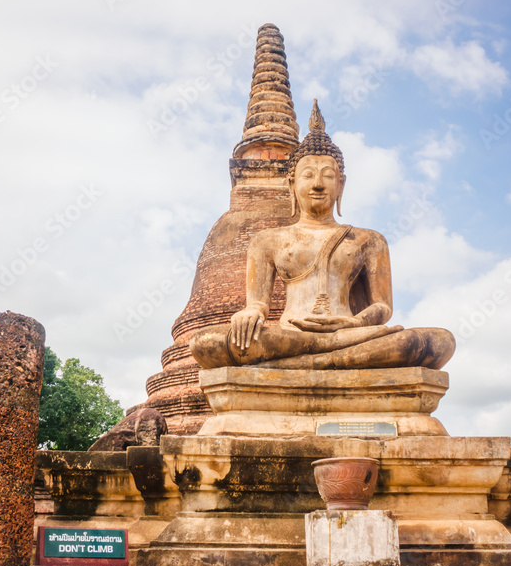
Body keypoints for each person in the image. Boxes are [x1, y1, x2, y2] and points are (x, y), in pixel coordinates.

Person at [190, 100, 455, 370]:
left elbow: (382, 307)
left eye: (328, 175)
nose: (317, 184)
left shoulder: (370, 240)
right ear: (292, 183)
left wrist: (354, 323)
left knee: (439, 341)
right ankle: (328, 359)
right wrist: (250, 312)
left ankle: (303, 363)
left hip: (350, 334)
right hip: (291, 335)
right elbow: (258, 304)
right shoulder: (266, 240)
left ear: (341, 184)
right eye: (308, 175)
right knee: (207, 343)